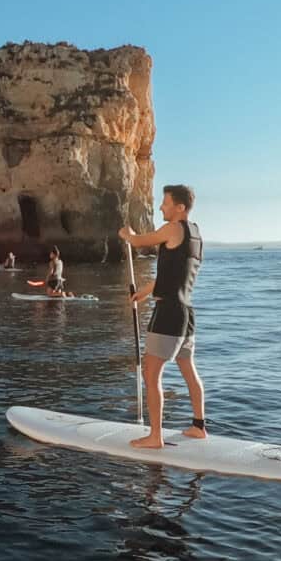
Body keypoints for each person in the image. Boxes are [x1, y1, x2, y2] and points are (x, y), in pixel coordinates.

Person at [118, 184, 205, 449]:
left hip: (167, 313)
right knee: (189, 370)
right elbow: (171, 275)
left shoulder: (172, 228)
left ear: (180, 207)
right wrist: (143, 293)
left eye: (165, 203)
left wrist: (128, 235)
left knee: (151, 373)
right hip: (186, 313)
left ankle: (155, 436)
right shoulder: (196, 234)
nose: (160, 207)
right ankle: (199, 427)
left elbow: (140, 241)